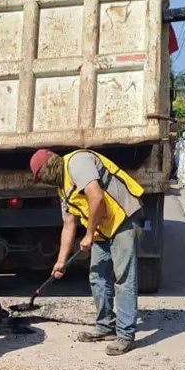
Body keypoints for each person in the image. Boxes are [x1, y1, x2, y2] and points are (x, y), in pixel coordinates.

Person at [29, 149, 144, 356]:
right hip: (103, 225)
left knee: (123, 276)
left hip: (124, 217)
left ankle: (126, 335)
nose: (43, 181)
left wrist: (89, 235)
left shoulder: (77, 163)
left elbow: (96, 197)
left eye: (41, 177)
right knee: (97, 276)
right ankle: (105, 326)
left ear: (47, 168)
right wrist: (60, 261)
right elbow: (68, 225)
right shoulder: (62, 189)